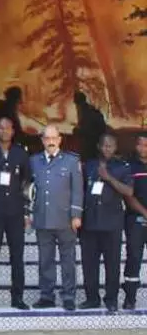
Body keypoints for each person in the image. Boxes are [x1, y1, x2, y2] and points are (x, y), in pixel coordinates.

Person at [29, 125, 83, 311]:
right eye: (47, 138)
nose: (51, 141)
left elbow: (77, 190)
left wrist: (76, 215)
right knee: (45, 260)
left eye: (54, 138)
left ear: (60, 139)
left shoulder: (71, 161)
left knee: (68, 260)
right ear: (42, 140)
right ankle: (47, 296)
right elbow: (29, 190)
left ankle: (68, 296)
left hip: (65, 220)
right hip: (42, 218)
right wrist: (29, 213)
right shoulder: (34, 161)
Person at [0, 117, 30, 310]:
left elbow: (26, 183)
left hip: (15, 212)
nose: (4, 131)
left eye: (8, 128)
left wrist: (26, 211)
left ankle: (17, 297)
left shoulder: (21, 153)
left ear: (13, 131)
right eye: (0, 128)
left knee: (17, 256)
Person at [80, 133, 132, 312]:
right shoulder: (89, 165)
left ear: (116, 147)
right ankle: (91, 298)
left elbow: (129, 191)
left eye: (110, 146)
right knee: (89, 264)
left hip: (112, 224)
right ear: (98, 146)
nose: (106, 149)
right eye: (104, 145)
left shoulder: (122, 167)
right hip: (90, 223)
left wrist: (108, 177)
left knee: (112, 264)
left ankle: (111, 299)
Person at [124, 133, 147, 309]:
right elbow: (128, 195)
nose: (143, 148)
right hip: (135, 220)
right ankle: (130, 298)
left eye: (146, 145)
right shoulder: (130, 167)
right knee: (133, 258)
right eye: (140, 145)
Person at [73, 91, 108, 162]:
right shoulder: (92, 110)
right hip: (96, 144)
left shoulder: (85, 112)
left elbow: (87, 130)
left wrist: (76, 131)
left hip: (90, 146)